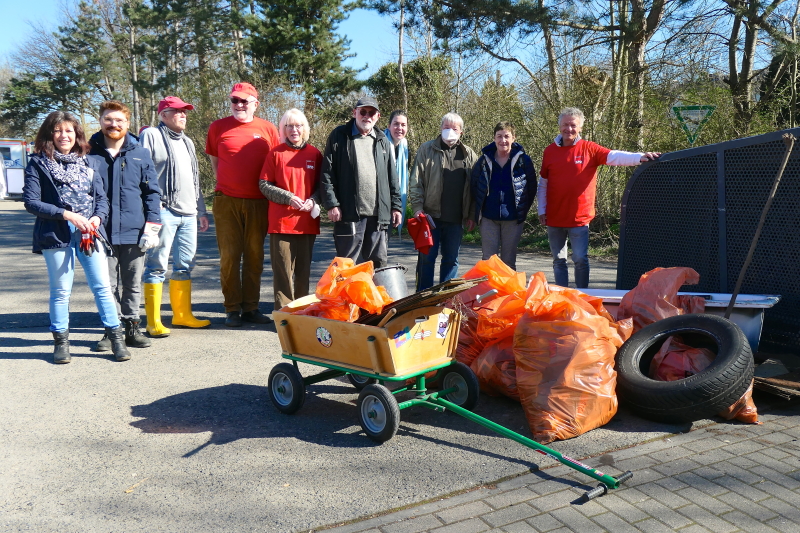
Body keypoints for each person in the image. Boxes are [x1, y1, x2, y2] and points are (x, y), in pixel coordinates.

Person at [23, 111, 130, 363]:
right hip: (56, 233)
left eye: (69, 130)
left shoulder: (89, 161)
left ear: (77, 134)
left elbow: (101, 199)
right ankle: (61, 342)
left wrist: (96, 219)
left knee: (102, 287)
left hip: (89, 233)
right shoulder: (38, 163)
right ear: (50, 134)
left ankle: (116, 338)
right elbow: (31, 202)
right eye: (58, 130)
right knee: (61, 291)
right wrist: (67, 215)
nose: (64, 135)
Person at [539, 107, 660, 287]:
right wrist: (541, 209)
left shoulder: (589, 148)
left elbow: (614, 156)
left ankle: (583, 296)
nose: (569, 129)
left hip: (579, 218)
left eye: (573, 125)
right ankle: (561, 295)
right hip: (554, 216)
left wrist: (640, 157)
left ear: (580, 127)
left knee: (580, 259)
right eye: (565, 125)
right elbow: (543, 183)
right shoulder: (549, 151)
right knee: (558, 260)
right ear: (559, 126)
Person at [205, 82, 280, 327]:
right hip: (227, 201)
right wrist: (229, 186)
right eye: (234, 100)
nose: (238, 105)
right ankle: (232, 309)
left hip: (259, 202)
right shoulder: (218, 127)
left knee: (255, 257)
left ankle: (251, 307)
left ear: (255, 104)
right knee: (229, 256)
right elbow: (216, 164)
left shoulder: (268, 129)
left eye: (244, 101)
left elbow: (276, 165)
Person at [89, 100, 162, 351]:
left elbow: (152, 192)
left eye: (119, 120)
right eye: (109, 119)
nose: (114, 124)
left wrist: (152, 226)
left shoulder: (140, 152)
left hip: (135, 230)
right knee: (106, 285)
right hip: (100, 232)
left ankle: (132, 327)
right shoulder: (88, 152)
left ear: (127, 123)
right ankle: (111, 330)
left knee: (132, 283)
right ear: (100, 121)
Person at [140, 96, 210, 337]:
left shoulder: (188, 142)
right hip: (163, 210)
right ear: (163, 115)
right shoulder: (151, 135)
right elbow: (142, 173)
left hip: (189, 213)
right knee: (156, 265)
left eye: (185, 112)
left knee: (184, 266)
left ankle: (182, 315)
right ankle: (153, 321)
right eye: (178, 112)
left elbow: (195, 179)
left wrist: (201, 211)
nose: (184, 116)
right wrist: (151, 209)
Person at [320, 97, 402, 268]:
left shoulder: (382, 141)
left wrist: (396, 207)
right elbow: (327, 173)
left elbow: (392, 178)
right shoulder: (339, 136)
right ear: (354, 113)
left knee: (377, 266)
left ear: (378, 116)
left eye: (371, 113)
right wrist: (332, 204)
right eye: (362, 112)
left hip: (378, 217)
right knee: (347, 266)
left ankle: (372, 296)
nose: (367, 116)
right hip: (349, 214)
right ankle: (344, 296)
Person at [259, 108, 322, 309]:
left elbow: (323, 186)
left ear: (305, 128)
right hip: (281, 223)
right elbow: (264, 185)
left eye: (298, 125)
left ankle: (303, 311)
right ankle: (284, 312)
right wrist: (288, 198)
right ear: (283, 129)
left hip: (307, 223)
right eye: (289, 126)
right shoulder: (275, 154)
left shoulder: (315, 154)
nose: (294, 130)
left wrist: (313, 200)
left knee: (303, 271)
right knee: (283, 272)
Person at [409, 112, 478, 290]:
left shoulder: (469, 154)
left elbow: (475, 189)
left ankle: (446, 301)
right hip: (429, 218)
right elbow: (416, 182)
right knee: (426, 260)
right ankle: (421, 301)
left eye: (454, 128)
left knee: (451, 261)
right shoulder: (426, 149)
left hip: (456, 220)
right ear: (440, 128)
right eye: (446, 127)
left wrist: (471, 215)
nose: (450, 131)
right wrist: (417, 208)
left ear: (461, 132)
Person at [471, 121, 537, 271]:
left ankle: (509, 295)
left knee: (508, 262)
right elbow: (474, 186)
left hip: (513, 219)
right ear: (494, 138)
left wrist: (522, 210)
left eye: (507, 136)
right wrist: (477, 213)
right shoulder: (483, 160)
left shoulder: (523, 160)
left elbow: (531, 188)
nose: (503, 141)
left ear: (514, 138)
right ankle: (489, 294)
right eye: (499, 136)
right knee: (489, 262)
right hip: (488, 218)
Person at [385, 110, 409, 236]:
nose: (399, 128)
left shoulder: (404, 147)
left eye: (403, 125)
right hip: (378, 207)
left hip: (393, 204)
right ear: (389, 126)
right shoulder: (380, 143)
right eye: (396, 124)